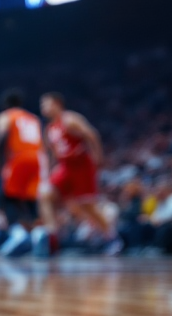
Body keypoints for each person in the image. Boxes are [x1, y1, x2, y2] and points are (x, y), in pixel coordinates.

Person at [36, 92, 118, 255]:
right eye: (42, 105)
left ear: (57, 103)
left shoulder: (70, 119)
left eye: (46, 104)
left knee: (87, 206)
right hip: (65, 166)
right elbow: (52, 152)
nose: (43, 108)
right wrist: (51, 168)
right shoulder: (49, 128)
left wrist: (98, 157)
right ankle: (52, 235)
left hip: (81, 165)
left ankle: (112, 237)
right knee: (44, 194)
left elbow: (91, 134)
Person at [0, 89, 43, 257]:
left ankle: (18, 235)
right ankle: (38, 235)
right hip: (37, 158)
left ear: (5, 105)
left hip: (18, 158)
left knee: (8, 198)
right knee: (31, 200)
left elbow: (1, 137)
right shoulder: (33, 118)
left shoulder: (6, 116)